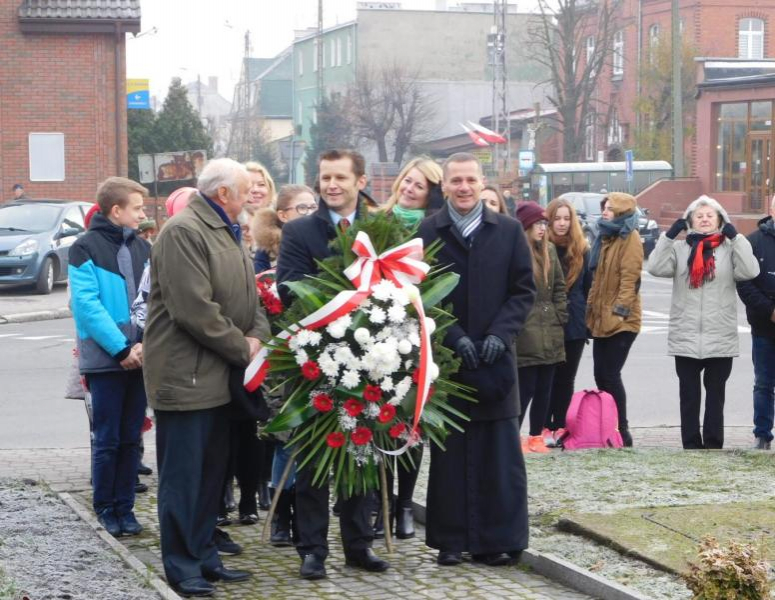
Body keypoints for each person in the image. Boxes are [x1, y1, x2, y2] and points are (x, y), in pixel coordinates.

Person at [143, 159, 269, 597]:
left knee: (213, 475)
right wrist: (243, 347)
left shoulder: (228, 229)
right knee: (184, 477)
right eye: (245, 188)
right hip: (188, 377)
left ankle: (205, 555)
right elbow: (193, 310)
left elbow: (251, 297)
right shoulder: (183, 232)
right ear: (222, 195)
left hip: (221, 377)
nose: (252, 194)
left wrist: (258, 336)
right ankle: (182, 565)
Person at [276, 149, 390, 580]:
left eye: (340, 177)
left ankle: (359, 545)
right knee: (312, 461)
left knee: (361, 450)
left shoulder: (380, 228)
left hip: (370, 360)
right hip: (314, 361)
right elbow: (289, 288)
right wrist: (340, 314)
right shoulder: (301, 230)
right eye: (325, 177)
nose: (331, 185)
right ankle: (313, 549)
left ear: (360, 181)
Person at [418, 152, 535, 567]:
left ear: (482, 183)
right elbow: (420, 296)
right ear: (445, 185)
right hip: (449, 364)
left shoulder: (507, 230)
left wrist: (500, 336)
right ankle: (451, 539)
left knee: (500, 457)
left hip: (496, 360)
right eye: (456, 181)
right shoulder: (428, 230)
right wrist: (454, 336)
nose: (464, 187)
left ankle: (498, 540)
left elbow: (523, 290)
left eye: (470, 180)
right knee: (451, 455)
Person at [68, 177, 151, 538]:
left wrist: (144, 345)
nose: (143, 214)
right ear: (116, 211)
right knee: (108, 438)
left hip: (141, 357)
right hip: (106, 360)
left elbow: (153, 300)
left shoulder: (145, 249)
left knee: (132, 437)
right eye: (137, 208)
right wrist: (121, 348)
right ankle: (105, 507)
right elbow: (87, 305)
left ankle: (126, 507)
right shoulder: (84, 248)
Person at [648, 196, 759, 449]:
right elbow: (655, 267)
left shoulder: (730, 249)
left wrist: (737, 238)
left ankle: (713, 443)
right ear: (690, 222)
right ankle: (690, 444)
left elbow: (750, 271)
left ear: (720, 220)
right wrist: (668, 237)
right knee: (688, 395)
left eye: (710, 215)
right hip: (685, 334)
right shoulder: (679, 249)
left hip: (719, 334)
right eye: (699, 216)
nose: (705, 219)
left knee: (715, 395)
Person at [372, 156, 443, 541]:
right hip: (378, 334)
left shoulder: (435, 230)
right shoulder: (379, 221)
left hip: (422, 336)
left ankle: (404, 506)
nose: (410, 188)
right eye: (408, 181)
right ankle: (379, 502)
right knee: (377, 420)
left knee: (412, 424)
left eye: (421, 185)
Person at [586, 192, 643, 447]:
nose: (605, 212)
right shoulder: (605, 236)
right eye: (604, 208)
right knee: (601, 375)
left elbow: (630, 279)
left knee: (610, 374)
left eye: (609, 208)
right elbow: (597, 280)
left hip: (622, 321)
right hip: (602, 318)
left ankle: (622, 429)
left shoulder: (628, 237)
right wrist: (593, 312)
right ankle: (609, 427)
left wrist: (619, 313)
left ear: (621, 211)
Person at [515, 201, 567, 453]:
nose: (543, 228)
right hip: (527, 328)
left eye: (544, 223)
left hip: (550, 326)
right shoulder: (518, 251)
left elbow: (559, 286)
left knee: (545, 388)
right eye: (538, 223)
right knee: (525, 387)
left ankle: (536, 435)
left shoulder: (549, 250)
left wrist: (560, 315)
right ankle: (514, 435)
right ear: (526, 225)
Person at [544, 198, 592, 447]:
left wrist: (586, 321)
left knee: (566, 378)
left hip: (574, 322)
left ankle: (560, 426)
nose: (562, 223)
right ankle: (543, 426)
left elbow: (587, 286)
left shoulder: (581, 248)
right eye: (557, 218)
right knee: (546, 377)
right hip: (547, 320)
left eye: (566, 218)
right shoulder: (540, 245)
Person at [737, 195, 775, 450]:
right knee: (763, 383)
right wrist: (769, 310)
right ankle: (762, 435)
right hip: (764, 326)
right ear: (770, 209)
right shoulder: (753, 241)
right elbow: (744, 282)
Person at [251, 184, 317, 273]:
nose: (310, 213)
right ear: (283, 215)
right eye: (302, 208)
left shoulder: (328, 241)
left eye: (313, 207)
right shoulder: (267, 250)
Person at [382, 156, 444, 228]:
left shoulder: (438, 232)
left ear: (432, 195)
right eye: (407, 181)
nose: (409, 189)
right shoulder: (374, 221)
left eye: (419, 186)